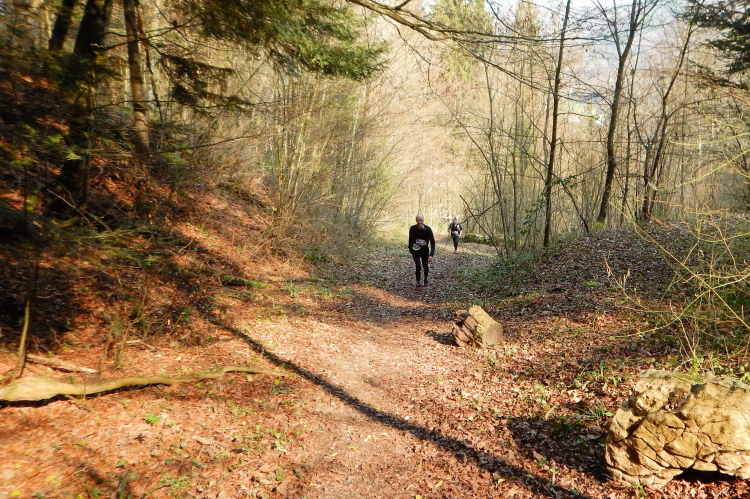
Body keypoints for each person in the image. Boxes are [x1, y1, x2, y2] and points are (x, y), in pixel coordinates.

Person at [408, 214, 435, 290]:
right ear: (416, 220)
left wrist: (431, 255)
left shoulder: (428, 229)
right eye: (418, 220)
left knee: (425, 265)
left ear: (423, 220)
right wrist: (410, 248)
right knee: (418, 265)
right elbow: (410, 239)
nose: (419, 222)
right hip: (415, 250)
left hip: (424, 250)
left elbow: (433, 242)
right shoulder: (413, 228)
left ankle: (425, 278)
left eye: (421, 220)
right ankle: (418, 282)